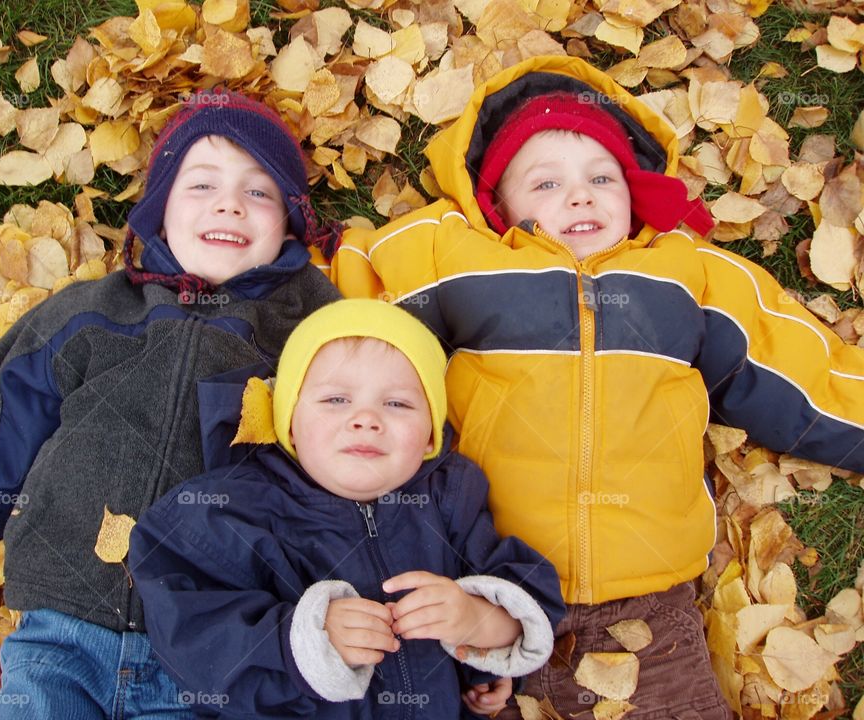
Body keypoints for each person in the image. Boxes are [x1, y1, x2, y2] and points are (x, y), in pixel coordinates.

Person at [330, 55, 864, 718]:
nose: (579, 195)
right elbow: (355, 305)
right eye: (546, 182)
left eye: (601, 177)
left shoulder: (683, 273)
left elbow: (794, 370)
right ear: (496, 203)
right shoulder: (455, 255)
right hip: (480, 591)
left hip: (646, 608)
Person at [0, 89, 342, 718]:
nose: (229, 202)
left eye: (259, 192)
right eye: (202, 185)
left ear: (292, 225)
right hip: (61, 632)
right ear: (159, 212)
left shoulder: (313, 332)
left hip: (217, 650)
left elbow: (377, 455)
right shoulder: (90, 313)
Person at [129, 298, 566, 719]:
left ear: (432, 436)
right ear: (290, 425)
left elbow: (524, 590)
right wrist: (300, 642)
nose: (366, 419)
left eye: (396, 403)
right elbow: (190, 633)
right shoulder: (232, 509)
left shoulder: (452, 498)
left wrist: (481, 626)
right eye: (336, 400)